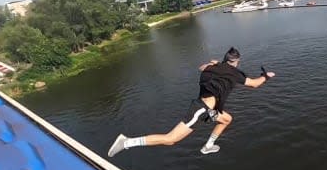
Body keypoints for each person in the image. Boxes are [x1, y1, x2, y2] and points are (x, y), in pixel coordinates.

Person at [108, 47, 275, 157]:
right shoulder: (234, 73)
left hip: (210, 109)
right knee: (170, 139)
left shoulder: (210, 67)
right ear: (237, 62)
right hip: (201, 110)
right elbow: (254, 84)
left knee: (226, 119)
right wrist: (266, 76)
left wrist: (216, 64)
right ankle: (127, 142)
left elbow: (202, 68)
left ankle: (208, 146)